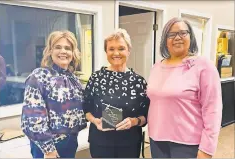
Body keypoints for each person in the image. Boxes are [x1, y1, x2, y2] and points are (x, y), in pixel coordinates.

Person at [147, 17, 222, 158]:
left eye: (183, 33)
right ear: (165, 40)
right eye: (171, 34)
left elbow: (213, 110)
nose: (177, 38)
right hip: (157, 140)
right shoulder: (156, 67)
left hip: (187, 144)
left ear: (191, 37)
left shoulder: (203, 66)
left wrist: (207, 149)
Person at [83, 28, 150, 158]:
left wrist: (134, 121)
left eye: (121, 48)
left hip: (129, 144)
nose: (116, 53)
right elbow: (86, 108)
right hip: (100, 143)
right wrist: (95, 120)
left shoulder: (138, 81)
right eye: (111, 49)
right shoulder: (96, 78)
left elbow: (146, 116)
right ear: (106, 52)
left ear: (129, 51)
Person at [21, 30, 87, 158]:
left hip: (70, 142)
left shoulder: (73, 79)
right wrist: (48, 149)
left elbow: (82, 107)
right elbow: (32, 118)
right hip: (47, 146)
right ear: (50, 51)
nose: (63, 51)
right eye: (58, 47)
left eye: (68, 48)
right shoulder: (39, 76)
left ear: (73, 53)